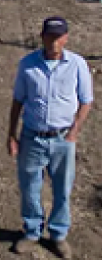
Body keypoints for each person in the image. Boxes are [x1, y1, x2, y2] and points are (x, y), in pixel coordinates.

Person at [7, 16, 93, 259]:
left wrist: (74, 131)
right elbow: (18, 101)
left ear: (66, 38)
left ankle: (58, 234)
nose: (54, 41)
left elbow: (86, 101)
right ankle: (32, 232)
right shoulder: (28, 65)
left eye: (59, 36)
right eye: (50, 36)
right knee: (30, 187)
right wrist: (11, 135)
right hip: (32, 137)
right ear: (42, 37)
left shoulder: (77, 64)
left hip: (63, 138)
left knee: (62, 189)